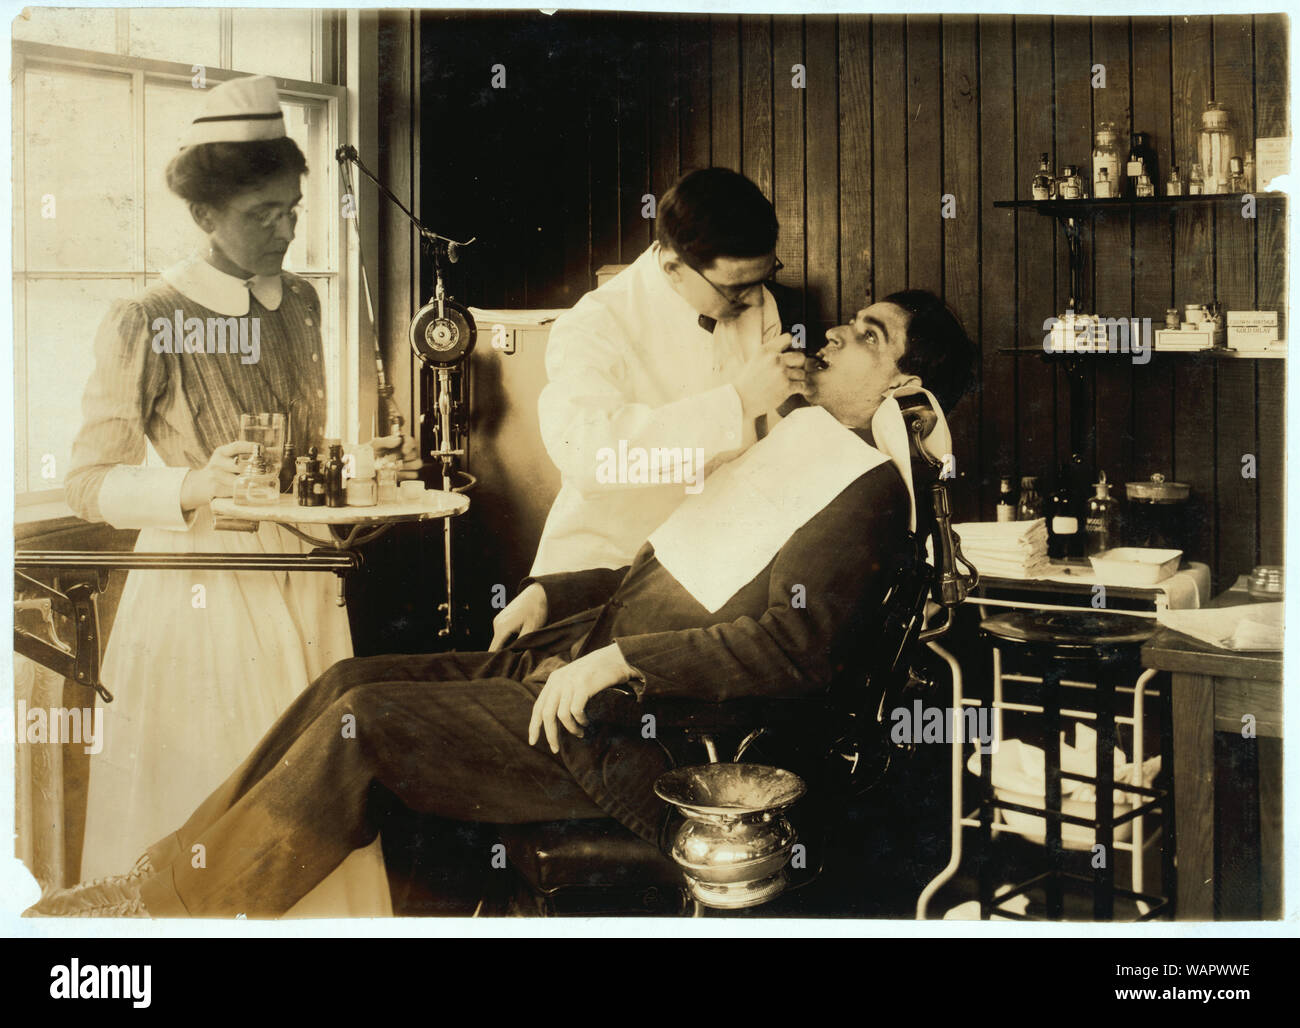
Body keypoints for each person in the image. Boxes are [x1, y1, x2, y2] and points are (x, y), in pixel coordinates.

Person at [31, 290, 975, 918]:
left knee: (366, 725)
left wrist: (625, 662)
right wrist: (550, 590)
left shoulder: (867, 491)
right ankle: (157, 881)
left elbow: (792, 650)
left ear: (902, 385)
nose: (839, 334)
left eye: (870, 335)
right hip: (579, 663)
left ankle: (162, 919)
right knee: (346, 679)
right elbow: (672, 566)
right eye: (852, 319)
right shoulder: (799, 443)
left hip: (645, 732)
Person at [61, 75, 393, 915]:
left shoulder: (305, 304)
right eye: (263, 216)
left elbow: (299, 456)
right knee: (220, 794)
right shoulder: (146, 316)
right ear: (205, 216)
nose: (286, 230)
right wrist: (195, 484)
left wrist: (361, 467)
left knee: (315, 797)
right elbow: (88, 481)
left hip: (305, 581)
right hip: (203, 587)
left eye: (292, 208)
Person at [492, 167, 808, 647]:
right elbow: (594, 458)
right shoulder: (595, 325)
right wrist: (738, 401)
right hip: (601, 569)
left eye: (762, 280)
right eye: (734, 289)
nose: (752, 300)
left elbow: (768, 433)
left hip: (703, 565)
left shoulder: (755, 299)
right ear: (672, 267)